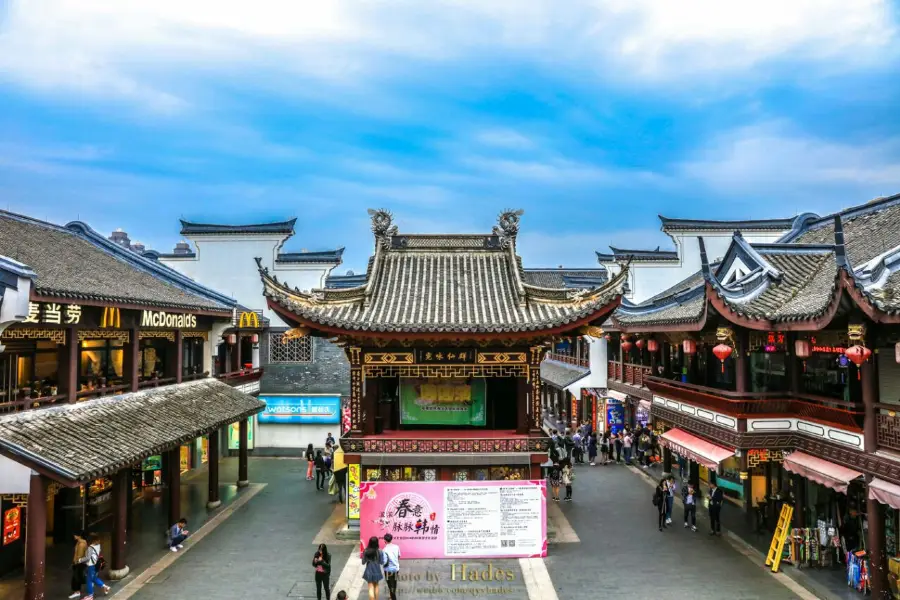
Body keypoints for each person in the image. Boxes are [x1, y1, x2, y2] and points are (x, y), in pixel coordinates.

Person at [361, 536, 385, 600]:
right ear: (377, 543)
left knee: (370, 587)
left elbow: (363, 562)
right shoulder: (380, 551)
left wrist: (367, 559)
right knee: (376, 585)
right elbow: (381, 562)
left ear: (370, 542)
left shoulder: (366, 551)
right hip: (377, 570)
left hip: (369, 571)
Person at [382, 533, 401, 600]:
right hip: (396, 569)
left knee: (390, 585)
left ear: (385, 540)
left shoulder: (384, 550)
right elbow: (399, 556)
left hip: (388, 570)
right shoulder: (396, 547)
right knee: (394, 583)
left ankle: (393, 598)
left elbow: (384, 562)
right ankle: (391, 596)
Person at [69, 531, 87, 599]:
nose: (74, 536)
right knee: (78, 577)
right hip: (80, 563)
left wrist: (75, 563)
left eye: (75, 535)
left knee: (76, 578)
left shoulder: (81, 544)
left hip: (79, 564)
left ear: (79, 536)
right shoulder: (80, 542)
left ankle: (77, 592)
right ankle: (77, 591)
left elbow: (79, 555)